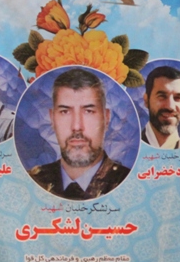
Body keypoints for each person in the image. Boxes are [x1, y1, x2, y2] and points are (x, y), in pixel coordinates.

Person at [29, 68, 130, 200]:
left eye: (88, 111)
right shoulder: (32, 182)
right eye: (65, 112)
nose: (76, 127)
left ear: (106, 118)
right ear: (52, 119)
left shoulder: (129, 183)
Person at [141, 66, 180, 149]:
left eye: (177, 98)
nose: (170, 107)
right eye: (162, 96)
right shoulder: (128, 150)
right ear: (146, 100)